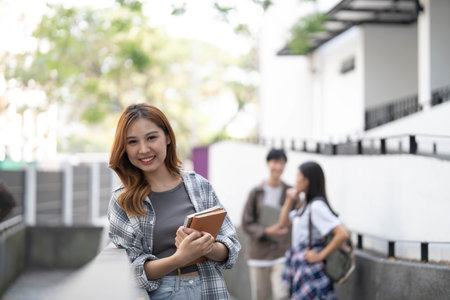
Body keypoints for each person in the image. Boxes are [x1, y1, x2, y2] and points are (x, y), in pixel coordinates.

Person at [107, 103, 240, 299]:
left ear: (168, 137)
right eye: (133, 142)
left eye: (151, 138)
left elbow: (231, 247)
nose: (143, 149)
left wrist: (208, 247)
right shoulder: (122, 200)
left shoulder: (199, 185)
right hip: (164, 293)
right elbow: (131, 271)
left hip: (211, 290)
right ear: (124, 148)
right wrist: (180, 258)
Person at [278, 161, 349, 300]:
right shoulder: (305, 205)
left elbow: (342, 234)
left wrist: (320, 255)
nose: (296, 180)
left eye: (299, 176)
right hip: (303, 266)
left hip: (310, 267)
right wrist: (288, 199)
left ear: (307, 180)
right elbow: (283, 223)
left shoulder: (316, 206)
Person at [241, 148, 298, 300]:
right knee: (261, 296)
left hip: (282, 252)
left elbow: (299, 215)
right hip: (259, 254)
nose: (278, 167)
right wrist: (266, 231)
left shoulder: (291, 192)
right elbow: (246, 223)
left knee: (282, 295)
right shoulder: (256, 192)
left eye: (281, 163)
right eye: (274, 162)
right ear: (268, 164)